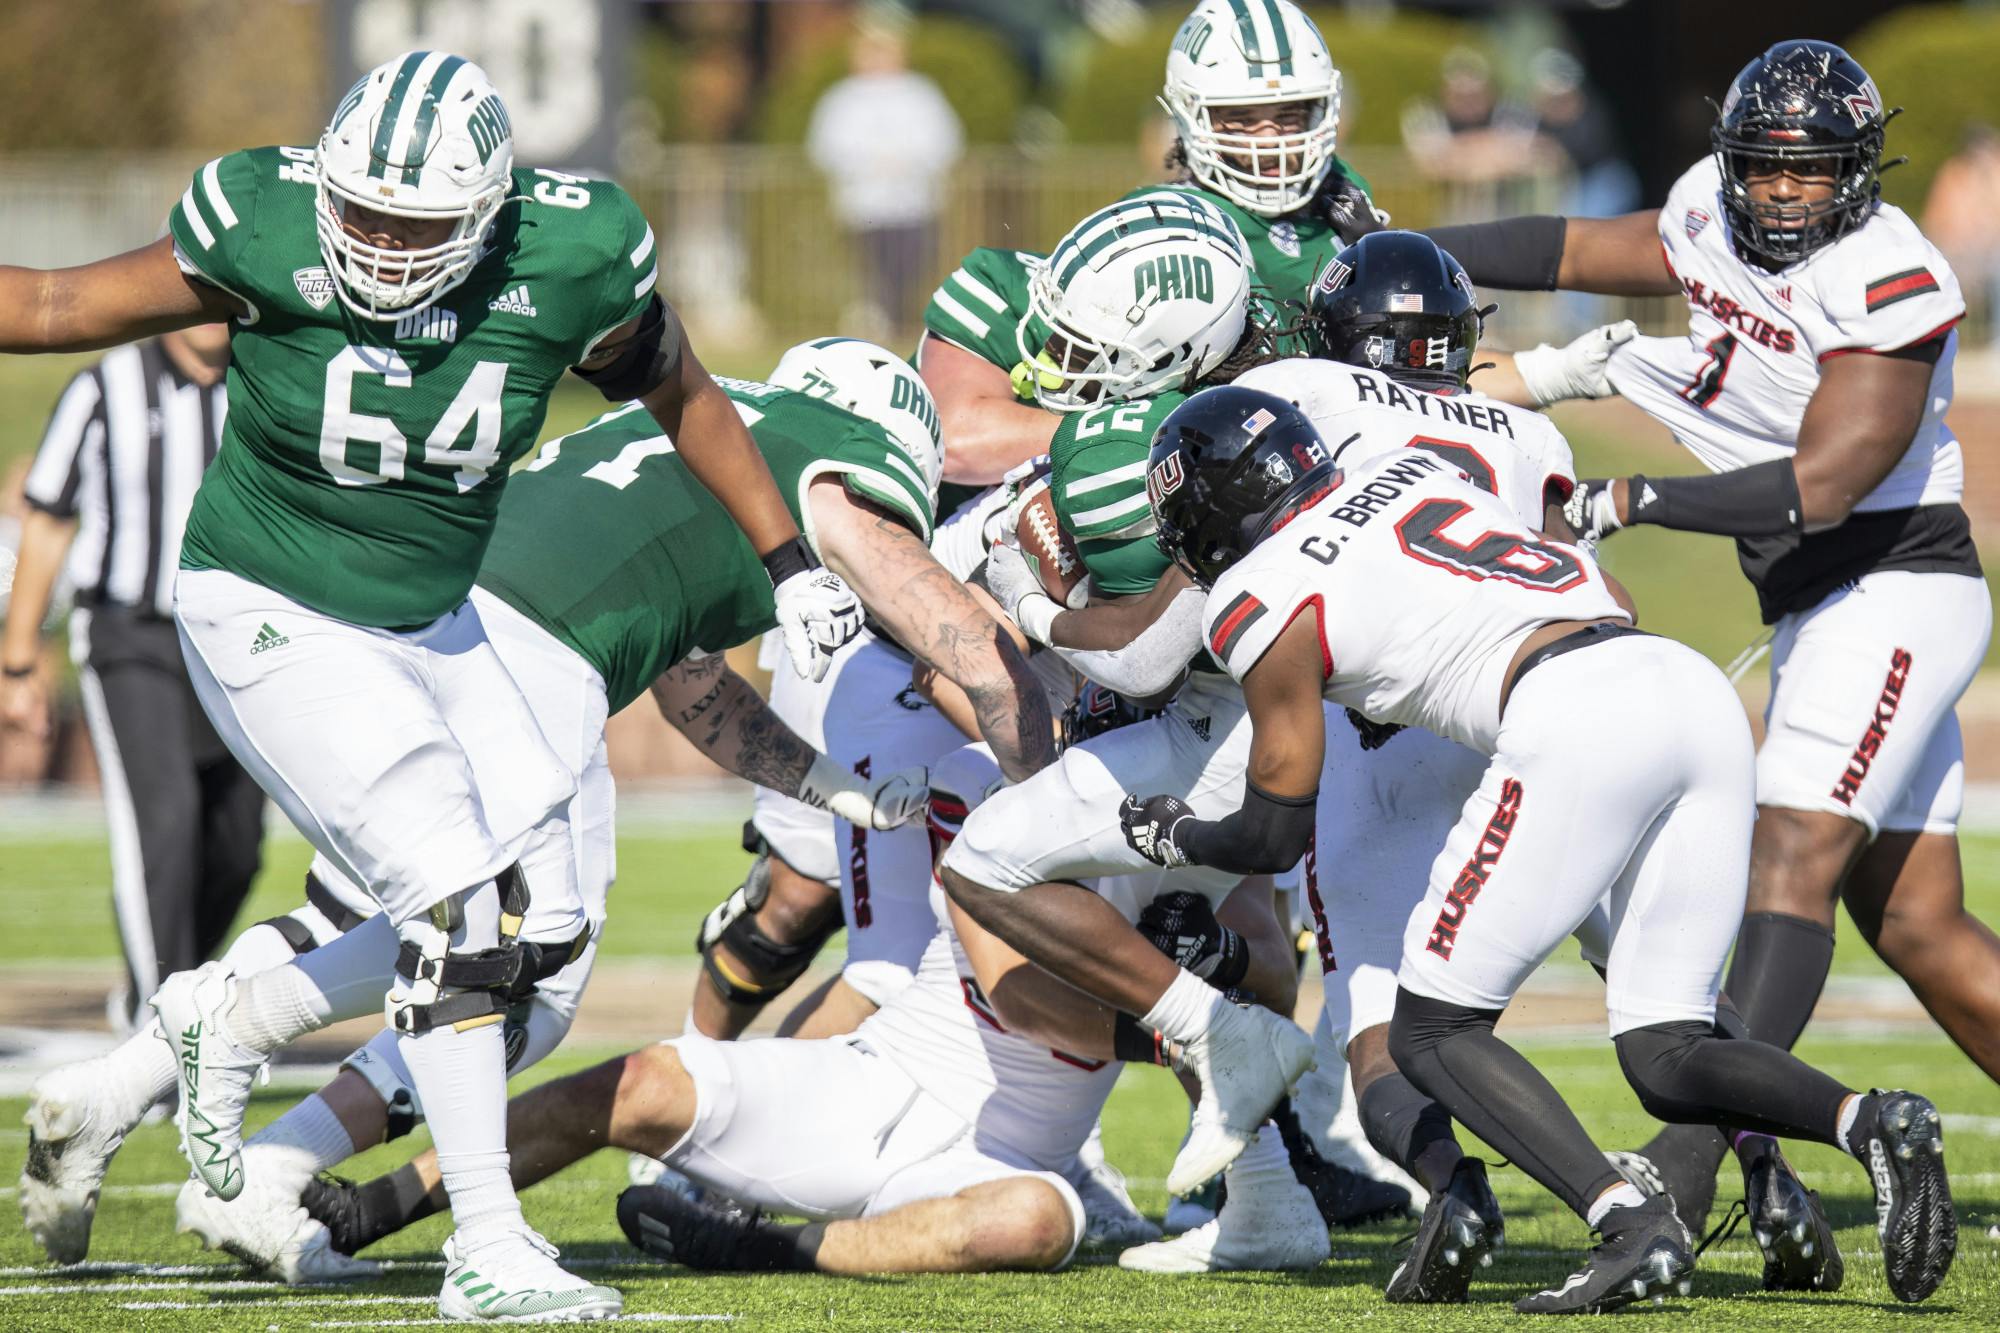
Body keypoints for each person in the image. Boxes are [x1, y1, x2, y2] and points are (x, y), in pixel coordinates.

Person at [2, 50, 866, 1322]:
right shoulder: (266, 213)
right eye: (357, 212)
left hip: (434, 614)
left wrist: (785, 559)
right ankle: (487, 1245)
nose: (377, 246)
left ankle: (217, 1019)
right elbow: (65, 301)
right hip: (270, 603)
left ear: (485, 211)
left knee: (545, 936)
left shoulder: (570, 252)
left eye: (412, 225)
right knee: (462, 909)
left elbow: (682, 390)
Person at [141, 340, 1052, 1281]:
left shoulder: (700, 458)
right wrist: (1051, 788)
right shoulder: (836, 465)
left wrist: (845, 793)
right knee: (534, 960)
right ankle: (268, 1058)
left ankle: (264, 1143)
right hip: (533, 649)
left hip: (436, 616)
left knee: (472, 926)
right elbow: (972, 649)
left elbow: (702, 699)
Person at [1122, 380, 1958, 1312]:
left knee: (1431, 1029)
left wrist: (1169, 831)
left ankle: (1628, 1226)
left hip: (1569, 715)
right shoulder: (1413, 475)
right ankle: (1869, 1120)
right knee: (1666, 1045)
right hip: (1684, 687)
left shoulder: (1253, 587)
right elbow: (1604, 587)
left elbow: (1276, 823)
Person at [1432, 39, 2000, 1248]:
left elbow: (1829, 481)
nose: (1784, 192)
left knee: (1788, 855)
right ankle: (1710, 1155)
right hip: (1821, 600)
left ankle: (1683, 1173)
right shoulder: (1705, 210)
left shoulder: (1889, 271)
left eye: (1811, 171)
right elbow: (1572, 250)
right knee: (1915, 926)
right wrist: (1406, 255)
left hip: (1890, 578)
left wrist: (1630, 500)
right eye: (1763, 167)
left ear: (1858, 171)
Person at [306, 746, 1274, 1278]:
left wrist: (1230, 958)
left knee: (1032, 1221)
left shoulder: (1195, 797)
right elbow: (1020, 997)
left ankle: (760, 1249)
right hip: (874, 1077)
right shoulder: (979, 776)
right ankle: (380, 1205)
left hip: (1006, 1156)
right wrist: (1182, 1015)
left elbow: (1271, 972)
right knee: (643, 1080)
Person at [947, 192, 1408, 1273]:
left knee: (988, 860)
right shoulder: (1258, 404)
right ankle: (1268, 1205)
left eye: (1088, 341)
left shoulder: (1190, 445)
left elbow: (1147, 651)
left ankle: (1227, 1044)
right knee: (1169, 942)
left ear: (1169, 346)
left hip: (1232, 730)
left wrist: (1028, 595)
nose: (1054, 358)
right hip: (1291, 715)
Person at [1224, 231, 1578, 1302]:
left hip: (1381, 723)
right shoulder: (1522, 426)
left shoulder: (1300, 385)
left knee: (1374, 1024)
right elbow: (1567, 564)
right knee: (1664, 988)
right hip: (1534, 707)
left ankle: (1449, 1187)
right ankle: (1766, 1167)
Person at [1, 324, 265, 1031]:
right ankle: (166, 1035)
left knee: (238, 844)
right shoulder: (103, 388)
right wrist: (19, 658)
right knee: (165, 823)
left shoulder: (263, 379)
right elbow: (48, 520)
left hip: (233, 643)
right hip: (130, 634)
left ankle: (161, 991)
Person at [806, 14, 964, 339]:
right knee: (872, 270)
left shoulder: (920, 93)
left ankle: (905, 323)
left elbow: (943, 141)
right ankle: (881, 321)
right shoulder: (843, 97)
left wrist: (907, 161)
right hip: (863, 203)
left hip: (913, 201)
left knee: (910, 267)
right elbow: (826, 146)